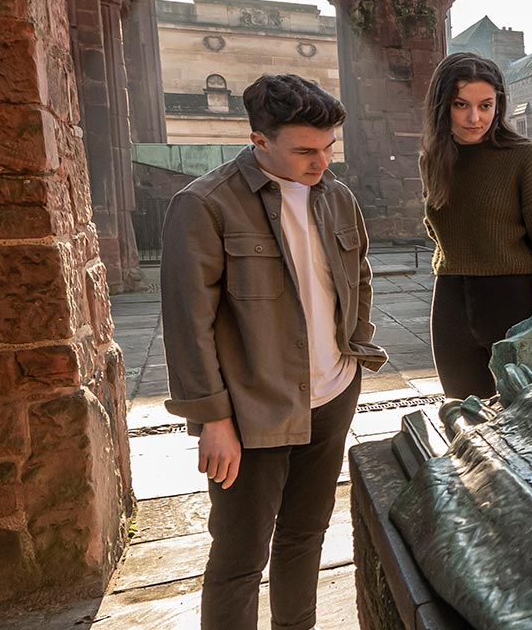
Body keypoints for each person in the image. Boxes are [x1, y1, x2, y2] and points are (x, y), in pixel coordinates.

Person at [161, 74, 387, 630]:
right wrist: (213, 419)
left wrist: (354, 351)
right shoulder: (204, 205)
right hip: (250, 411)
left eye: (329, 147)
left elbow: (356, 275)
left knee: (305, 537)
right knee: (240, 559)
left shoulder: (338, 197)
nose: (322, 162)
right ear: (259, 140)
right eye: (306, 150)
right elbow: (186, 323)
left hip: (333, 394)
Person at [421, 51, 532, 400]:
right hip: (450, 301)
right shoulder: (433, 158)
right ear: (443, 106)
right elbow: (437, 228)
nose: (475, 117)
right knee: (463, 414)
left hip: (512, 299)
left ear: (498, 105)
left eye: (486, 105)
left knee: (523, 418)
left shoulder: (524, 156)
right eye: (461, 105)